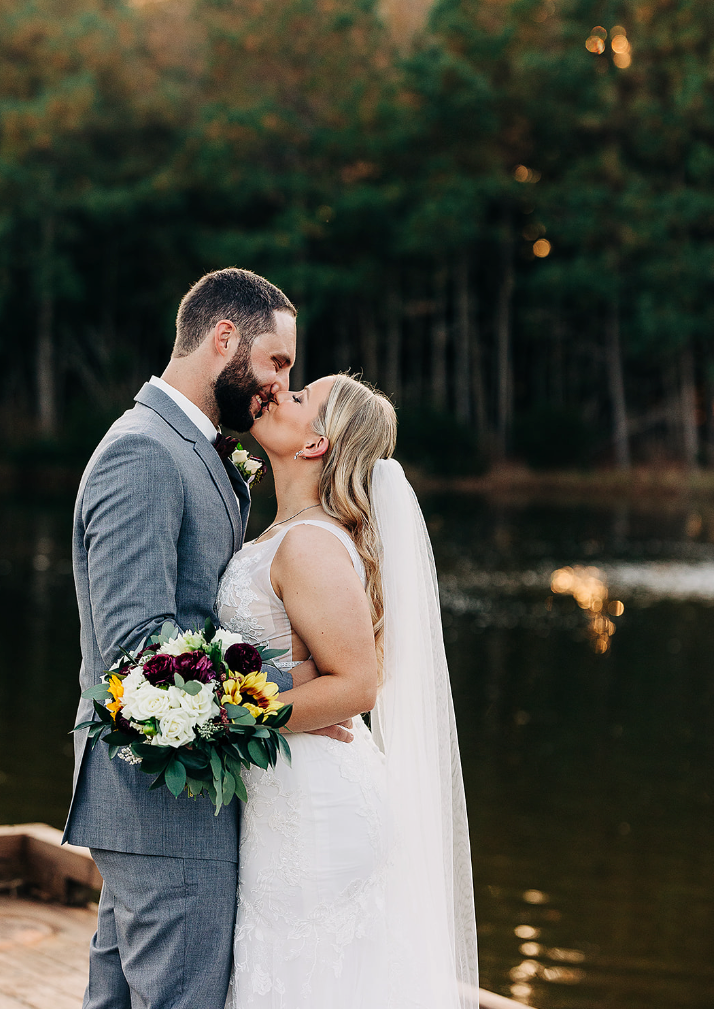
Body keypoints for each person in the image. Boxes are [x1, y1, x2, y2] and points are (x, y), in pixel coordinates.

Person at [63, 268, 352, 1009]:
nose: (278, 386)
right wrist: (295, 696)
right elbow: (142, 652)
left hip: (166, 794)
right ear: (224, 337)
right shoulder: (144, 453)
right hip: (160, 796)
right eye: (276, 362)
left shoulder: (198, 451)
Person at [217, 373, 479, 1009]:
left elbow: (358, 683)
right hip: (286, 796)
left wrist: (233, 718)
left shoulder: (309, 543)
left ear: (316, 444)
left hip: (316, 807)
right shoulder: (285, 534)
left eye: (300, 397)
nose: (279, 393)